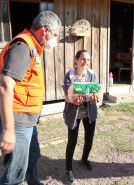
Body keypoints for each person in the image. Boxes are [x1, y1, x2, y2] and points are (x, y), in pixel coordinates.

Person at [0, 11, 61, 184]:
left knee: (32, 157)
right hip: (17, 120)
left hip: (28, 120)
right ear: (45, 31)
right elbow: (5, 85)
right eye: (55, 35)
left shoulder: (34, 47)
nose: (55, 40)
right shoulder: (23, 46)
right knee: (14, 175)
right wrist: (9, 130)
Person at [62, 50, 101, 184]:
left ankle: (84, 159)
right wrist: (72, 100)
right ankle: (68, 170)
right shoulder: (70, 75)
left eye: (88, 60)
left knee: (89, 139)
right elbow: (67, 96)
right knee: (72, 142)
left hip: (89, 113)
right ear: (76, 60)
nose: (86, 62)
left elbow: (97, 93)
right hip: (74, 113)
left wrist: (96, 99)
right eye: (83, 59)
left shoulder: (92, 74)